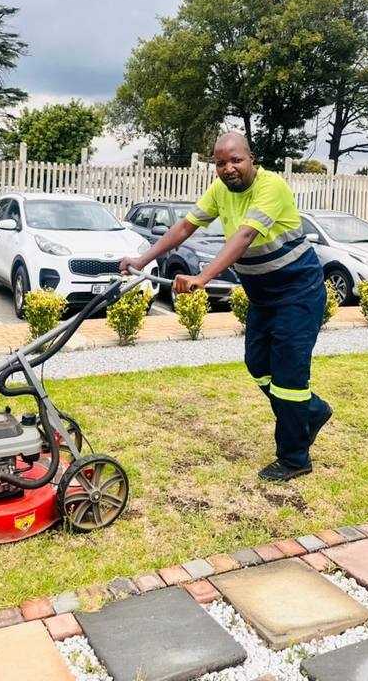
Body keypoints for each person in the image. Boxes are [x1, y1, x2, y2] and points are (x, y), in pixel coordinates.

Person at [120, 132, 332, 483]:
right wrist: (143, 259)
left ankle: (294, 457)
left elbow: (245, 235)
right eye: (220, 163)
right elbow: (186, 226)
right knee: (258, 365)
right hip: (263, 295)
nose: (228, 168)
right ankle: (312, 410)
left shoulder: (271, 186)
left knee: (289, 376)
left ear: (251, 158)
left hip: (298, 292)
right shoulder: (220, 191)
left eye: (235, 160)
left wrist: (202, 277)